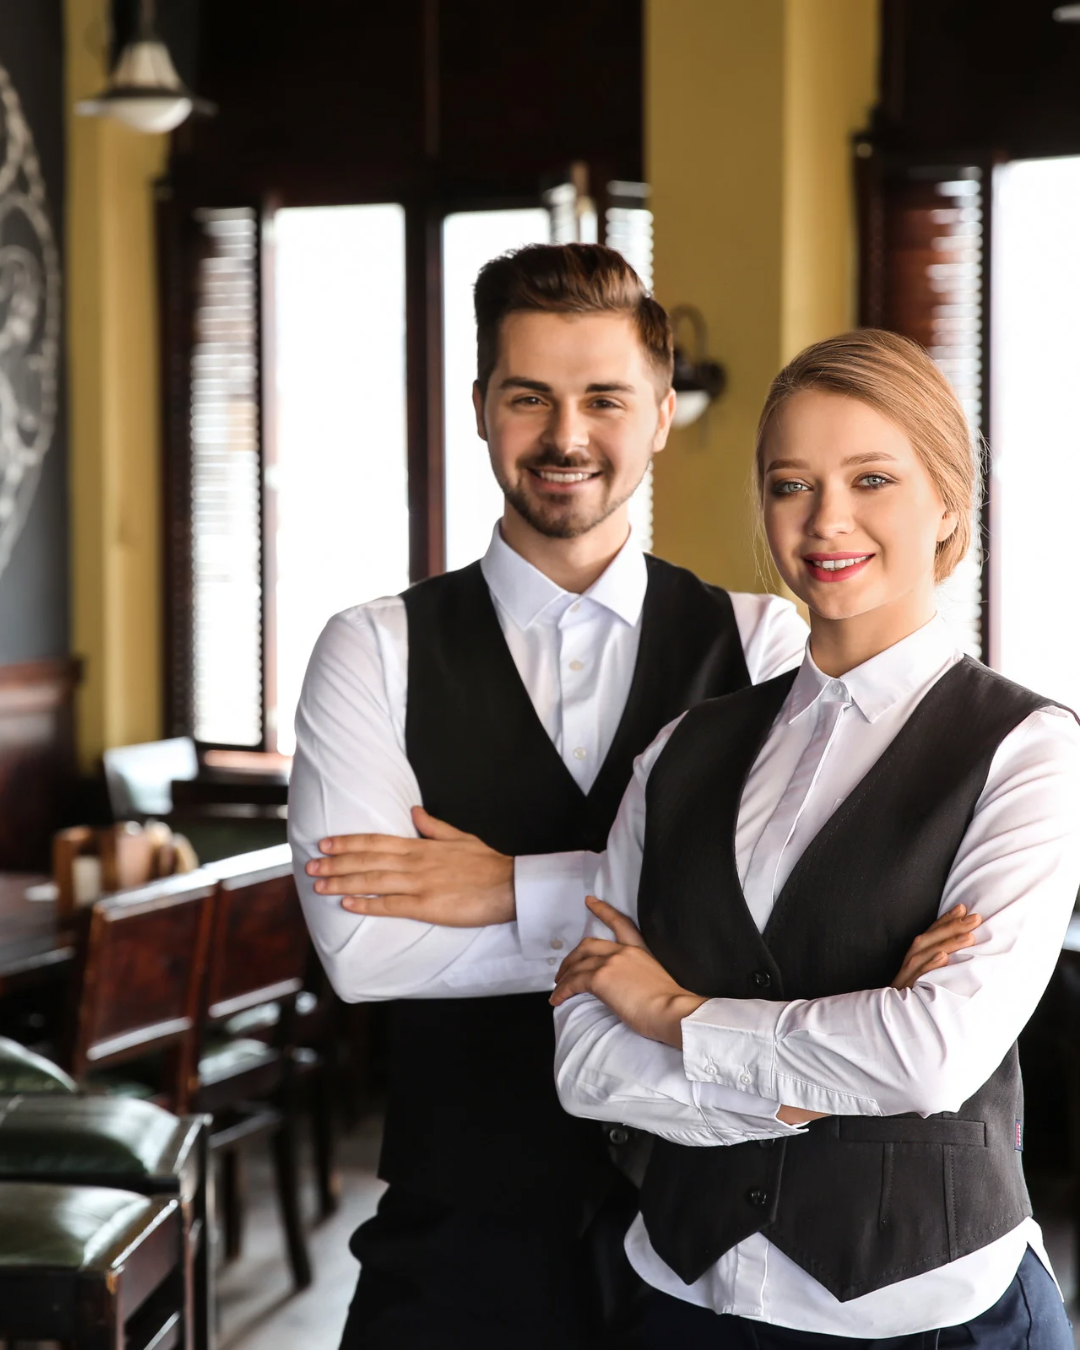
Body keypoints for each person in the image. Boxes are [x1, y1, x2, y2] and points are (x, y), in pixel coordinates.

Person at [288, 241, 817, 1349]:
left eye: (604, 399)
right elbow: (362, 950)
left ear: (663, 414)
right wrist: (662, 928)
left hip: (713, 1243)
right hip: (455, 1244)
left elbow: (789, 934)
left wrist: (504, 890)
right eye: (529, 397)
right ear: (481, 408)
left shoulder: (764, 642)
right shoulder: (372, 650)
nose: (566, 436)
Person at [551, 328, 1080, 1348]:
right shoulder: (680, 752)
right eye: (792, 484)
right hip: (679, 1297)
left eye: (871, 477)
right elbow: (583, 1057)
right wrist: (813, 1088)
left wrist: (672, 1011)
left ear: (948, 502)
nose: (827, 518)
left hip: (928, 1313)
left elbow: (931, 1056)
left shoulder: (1028, 749)